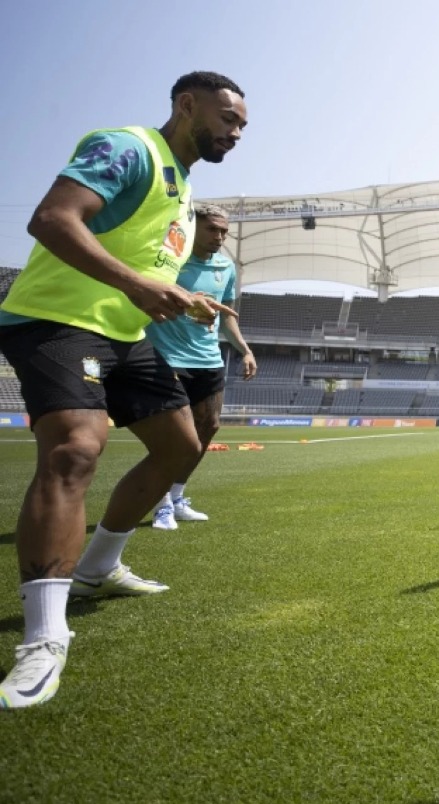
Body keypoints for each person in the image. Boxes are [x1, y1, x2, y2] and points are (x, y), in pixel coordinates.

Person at [0, 71, 248, 709]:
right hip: (56, 319)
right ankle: (43, 639)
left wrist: (179, 295)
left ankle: (98, 566)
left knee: (181, 447)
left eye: (242, 125)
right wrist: (138, 286)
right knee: (76, 449)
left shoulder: (184, 185)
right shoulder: (130, 146)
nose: (235, 132)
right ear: (186, 105)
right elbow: (53, 219)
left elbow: (140, 262)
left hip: (122, 329)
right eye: (227, 118)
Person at [146, 203, 258, 530]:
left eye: (224, 231)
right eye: (212, 229)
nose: (219, 237)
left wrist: (245, 351)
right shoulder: (170, 259)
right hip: (167, 358)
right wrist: (189, 304)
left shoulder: (226, 266)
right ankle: (161, 503)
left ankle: (177, 496)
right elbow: (153, 297)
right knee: (179, 439)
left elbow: (224, 317)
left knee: (208, 428)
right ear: (192, 227)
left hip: (208, 360)